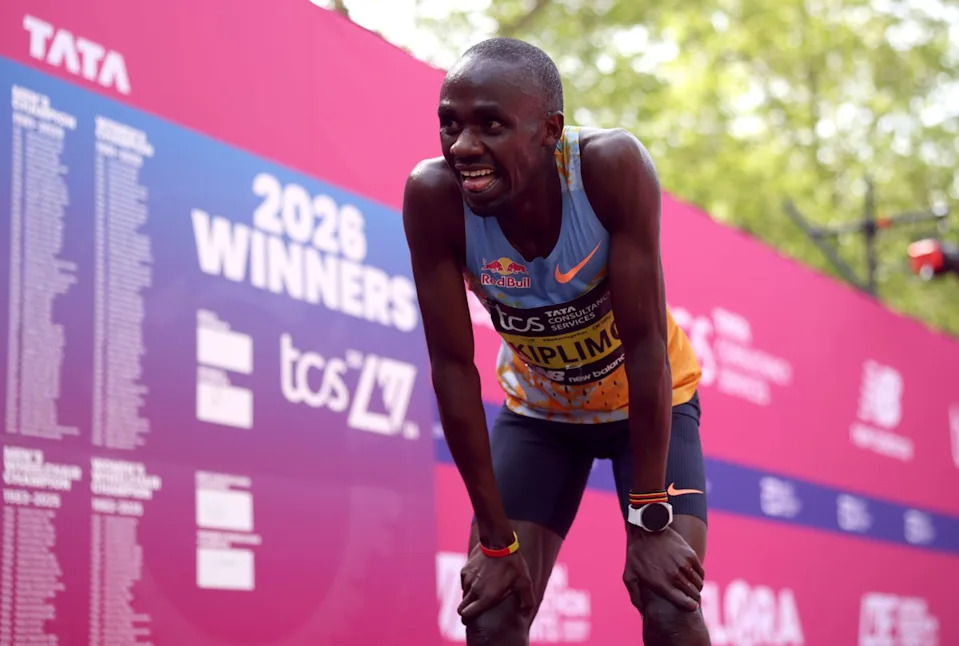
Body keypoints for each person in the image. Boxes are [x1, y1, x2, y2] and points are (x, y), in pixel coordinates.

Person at [402, 37, 711, 646]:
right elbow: (452, 369)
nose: (464, 147)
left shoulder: (609, 168)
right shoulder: (433, 197)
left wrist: (649, 518)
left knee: (669, 604)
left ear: (549, 130)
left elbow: (645, 343)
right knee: (492, 612)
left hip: (649, 405)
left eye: (491, 125)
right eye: (449, 125)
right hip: (540, 417)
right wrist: (494, 540)